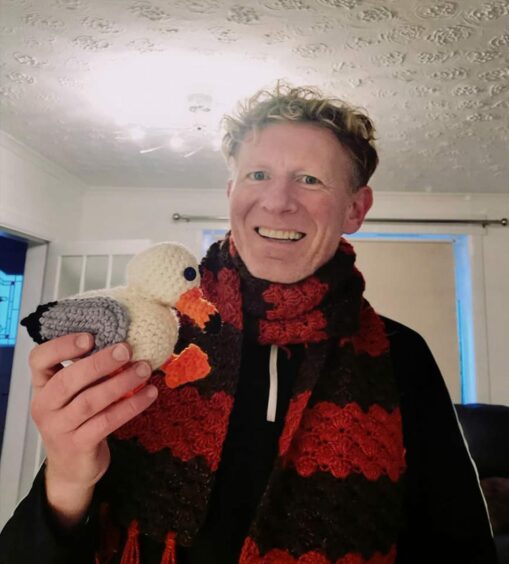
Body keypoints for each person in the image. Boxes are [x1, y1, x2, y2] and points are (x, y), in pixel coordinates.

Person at [0, 84, 497, 564]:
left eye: (310, 179)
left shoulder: (400, 354)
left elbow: (458, 545)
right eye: (258, 175)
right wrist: (66, 479)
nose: (278, 201)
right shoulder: (149, 333)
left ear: (355, 208)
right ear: (231, 190)